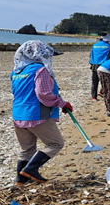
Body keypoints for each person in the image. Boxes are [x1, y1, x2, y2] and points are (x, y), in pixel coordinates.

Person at [11, 40, 73, 185]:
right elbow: (43, 94)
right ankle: (31, 169)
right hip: (36, 114)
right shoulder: (40, 70)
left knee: (26, 149)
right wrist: (62, 103)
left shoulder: (16, 71)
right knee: (55, 144)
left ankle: (21, 180)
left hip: (18, 114)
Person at [89, 34, 110, 100]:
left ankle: (94, 97)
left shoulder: (94, 45)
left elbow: (91, 55)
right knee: (106, 81)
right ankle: (103, 92)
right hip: (104, 65)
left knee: (95, 82)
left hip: (94, 65)